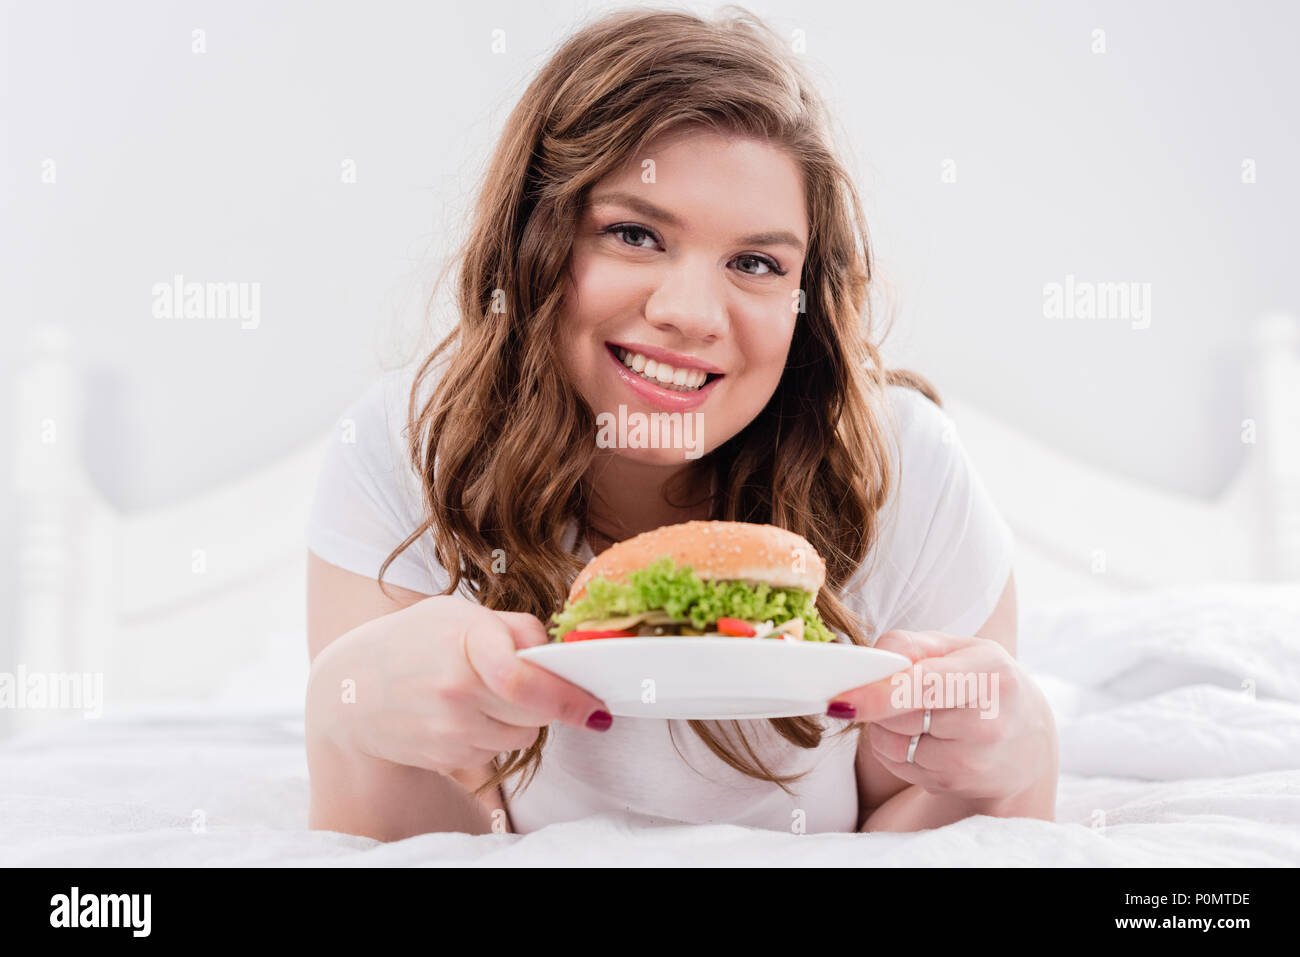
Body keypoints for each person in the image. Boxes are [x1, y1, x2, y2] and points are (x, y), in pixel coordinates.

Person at [303, 6, 1058, 841]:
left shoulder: (901, 466)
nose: (692, 314)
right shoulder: (408, 446)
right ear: (533, 241)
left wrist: (1024, 758)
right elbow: (433, 845)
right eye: (634, 234)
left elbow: (925, 826)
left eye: (756, 263)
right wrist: (347, 727)